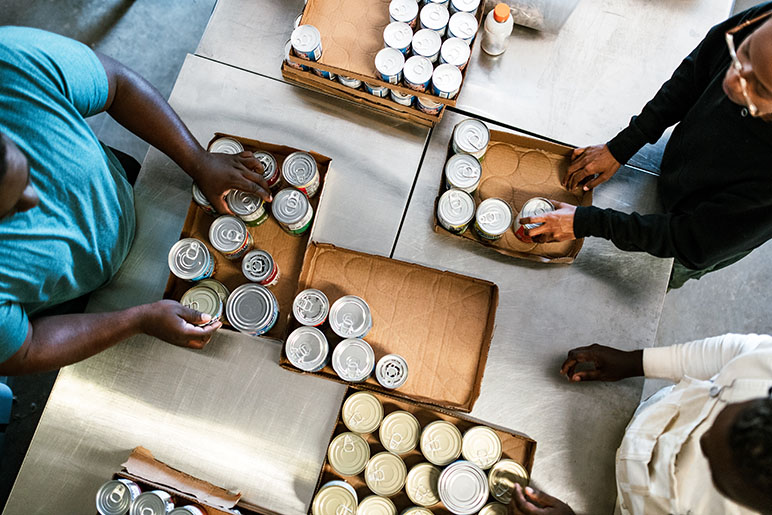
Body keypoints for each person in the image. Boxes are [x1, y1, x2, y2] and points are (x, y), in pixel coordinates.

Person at [0, 26, 272, 375]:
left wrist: (196, 159)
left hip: (124, 188)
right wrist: (136, 320)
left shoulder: (10, 65)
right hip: (69, 302)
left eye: (27, 171)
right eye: (8, 211)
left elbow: (117, 84)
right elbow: (24, 349)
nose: (34, 199)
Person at [519, 3, 772, 289]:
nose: (734, 81)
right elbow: (695, 73)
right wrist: (625, 144)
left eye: (759, 89)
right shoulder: (766, 22)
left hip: (699, 233)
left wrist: (586, 222)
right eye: (744, 53)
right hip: (684, 160)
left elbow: (689, 241)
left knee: (650, 279)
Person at [508, 333, 772, 514]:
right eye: (721, 403)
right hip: (647, 419)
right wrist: (634, 362)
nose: (700, 436)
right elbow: (736, 352)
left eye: (714, 469)